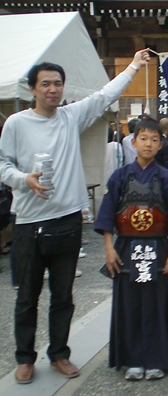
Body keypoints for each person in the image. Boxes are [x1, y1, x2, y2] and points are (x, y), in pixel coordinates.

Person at [0, 49, 150, 385]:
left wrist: (134, 66)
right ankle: (24, 358)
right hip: (26, 222)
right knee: (26, 296)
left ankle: (59, 354)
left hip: (66, 220)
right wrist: (23, 180)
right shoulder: (16, 123)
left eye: (57, 84)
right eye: (46, 84)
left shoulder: (70, 117)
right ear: (33, 89)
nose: (52, 89)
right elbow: (2, 164)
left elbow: (104, 96)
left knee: (63, 296)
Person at [94, 118, 168, 380]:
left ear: (161, 144)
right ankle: (133, 360)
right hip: (126, 249)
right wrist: (109, 249)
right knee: (130, 305)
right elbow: (107, 216)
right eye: (143, 138)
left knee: (158, 305)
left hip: (158, 249)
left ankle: (157, 359)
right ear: (133, 142)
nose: (148, 143)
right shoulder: (119, 177)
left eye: (154, 139)